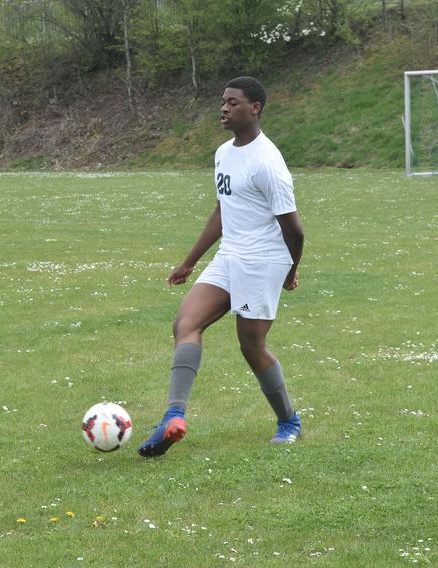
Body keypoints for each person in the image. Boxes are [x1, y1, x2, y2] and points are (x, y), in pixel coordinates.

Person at [138, 76, 305, 458]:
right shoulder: (223, 153)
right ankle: (173, 416)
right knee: (186, 323)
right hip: (230, 254)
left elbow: (295, 231)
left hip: (263, 260)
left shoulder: (268, 163)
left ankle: (289, 421)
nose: (224, 108)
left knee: (251, 346)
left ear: (256, 108)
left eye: (233, 102)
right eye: (223, 102)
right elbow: (222, 210)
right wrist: (188, 262)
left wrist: (290, 271)